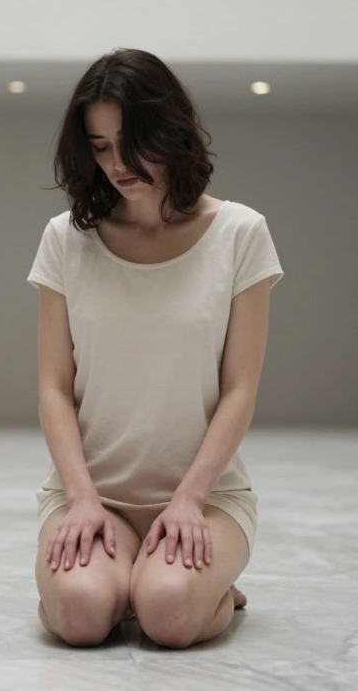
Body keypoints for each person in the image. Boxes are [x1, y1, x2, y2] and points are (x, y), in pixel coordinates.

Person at [27, 48, 284, 649]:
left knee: (167, 616)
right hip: (95, 495)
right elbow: (53, 388)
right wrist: (81, 500)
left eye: (131, 140)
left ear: (170, 131)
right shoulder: (66, 240)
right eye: (99, 146)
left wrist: (191, 500)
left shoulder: (241, 233)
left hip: (207, 496)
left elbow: (240, 388)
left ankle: (203, 593)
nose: (117, 163)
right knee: (82, 617)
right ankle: (121, 581)